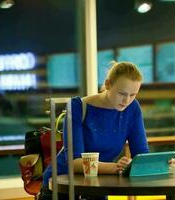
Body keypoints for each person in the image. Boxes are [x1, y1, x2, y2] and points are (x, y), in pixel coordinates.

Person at [38, 61, 150, 200]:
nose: (127, 100)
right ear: (108, 84)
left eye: (133, 94)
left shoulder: (132, 108)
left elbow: (141, 154)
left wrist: (155, 163)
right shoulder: (77, 107)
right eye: (122, 93)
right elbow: (74, 163)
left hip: (98, 185)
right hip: (62, 184)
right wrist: (117, 168)